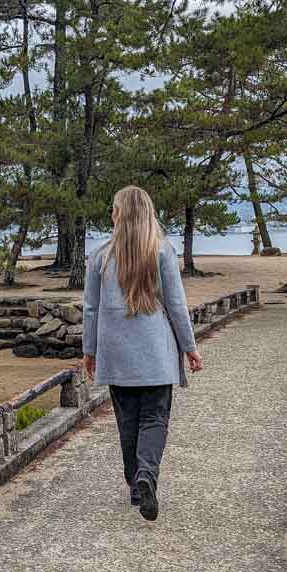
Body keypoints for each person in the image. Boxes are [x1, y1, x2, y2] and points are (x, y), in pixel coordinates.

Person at [82, 185, 203, 521]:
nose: (110, 214)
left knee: (127, 422)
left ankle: (135, 485)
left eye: (112, 209)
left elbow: (90, 309)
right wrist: (190, 348)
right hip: (156, 352)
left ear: (120, 214)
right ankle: (147, 474)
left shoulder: (100, 257)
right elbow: (176, 305)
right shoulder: (162, 250)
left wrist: (89, 350)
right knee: (154, 418)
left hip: (117, 353)